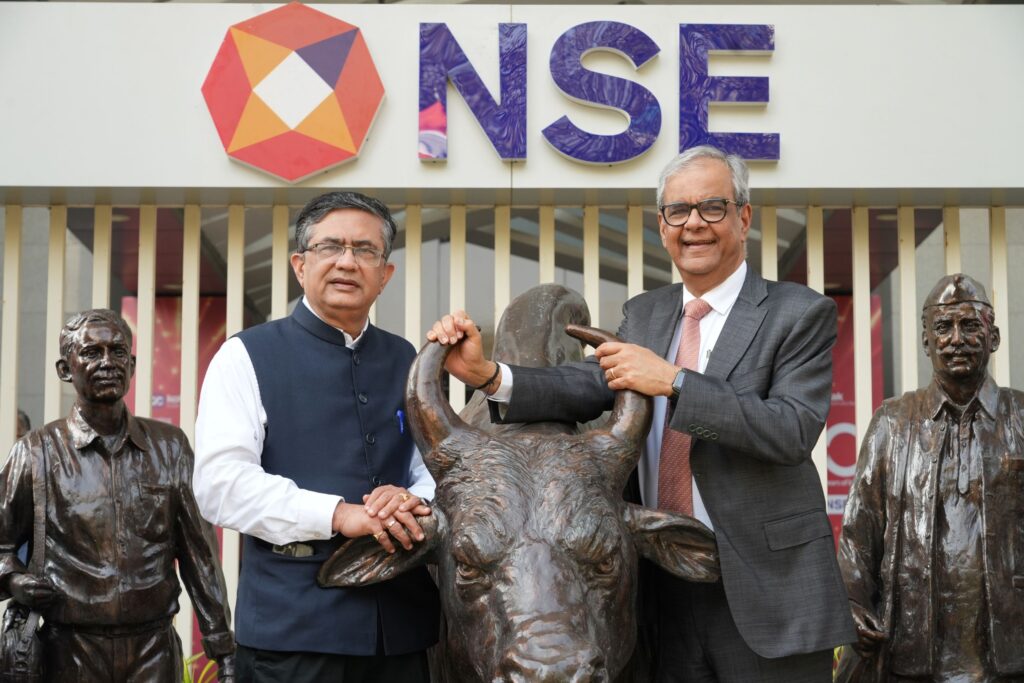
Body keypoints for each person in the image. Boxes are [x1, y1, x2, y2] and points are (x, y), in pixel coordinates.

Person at [430, 145, 854, 682]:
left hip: (765, 591)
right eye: (678, 211)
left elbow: (790, 429)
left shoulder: (799, 312)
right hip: (661, 589)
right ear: (662, 225)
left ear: (744, 217)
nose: (693, 223)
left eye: (712, 207)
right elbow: (587, 383)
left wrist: (675, 381)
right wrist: (491, 375)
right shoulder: (646, 313)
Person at [194, 191, 439, 682]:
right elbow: (220, 484)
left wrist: (413, 499)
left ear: (385, 274)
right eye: (330, 247)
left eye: (365, 250)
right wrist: (339, 514)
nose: (347, 262)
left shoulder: (408, 359)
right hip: (292, 635)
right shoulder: (245, 355)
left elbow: (436, 468)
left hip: (399, 630)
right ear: (300, 265)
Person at [0, 308, 235, 682]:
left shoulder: (170, 448)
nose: (108, 362)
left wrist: (222, 649)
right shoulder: (36, 452)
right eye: (91, 352)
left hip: (153, 652)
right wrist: (14, 580)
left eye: (118, 351)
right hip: (70, 652)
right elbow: (2, 546)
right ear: (65, 369)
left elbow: (200, 555)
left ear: (132, 365)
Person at [837, 274, 1024, 682]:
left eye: (970, 325)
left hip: (1010, 646)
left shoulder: (1020, 417)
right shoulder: (893, 422)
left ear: (993, 338)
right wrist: (852, 603)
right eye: (943, 327)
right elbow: (858, 535)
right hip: (911, 645)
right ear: (926, 341)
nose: (956, 339)